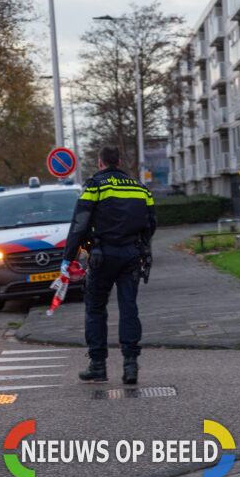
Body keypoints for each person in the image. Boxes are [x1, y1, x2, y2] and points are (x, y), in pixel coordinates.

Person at [62, 146, 156, 384]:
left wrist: (68, 257)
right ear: (120, 161)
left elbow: (80, 223)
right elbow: (151, 223)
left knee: (95, 308)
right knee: (128, 307)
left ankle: (98, 367)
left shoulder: (95, 186)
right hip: (131, 254)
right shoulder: (139, 188)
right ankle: (131, 366)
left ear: (100, 162)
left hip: (101, 255)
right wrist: (142, 247)